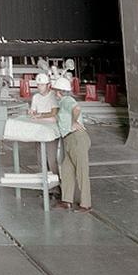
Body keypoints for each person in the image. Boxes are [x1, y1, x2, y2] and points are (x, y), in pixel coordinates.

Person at [53, 75, 91, 211]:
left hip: (77, 139)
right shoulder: (62, 103)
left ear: (59, 91)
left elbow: (76, 109)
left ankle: (86, 204)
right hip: (69, 140)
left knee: (81, 171)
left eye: (55, 90)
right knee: (67, 169)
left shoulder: (68, 100)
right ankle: (66, 200)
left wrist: (75, 121)